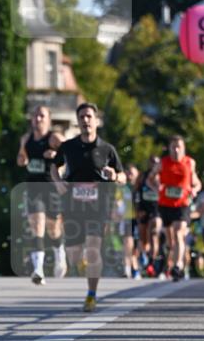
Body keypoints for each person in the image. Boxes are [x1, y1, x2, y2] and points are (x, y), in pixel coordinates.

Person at [51, 102, 125, 312]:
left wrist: (115, 175)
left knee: (93, 249)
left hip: (97, 207)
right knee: (75, 255)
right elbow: (54, 167)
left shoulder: (107, 149)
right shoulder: (68, 147)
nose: (85, 120)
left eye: (89, 116)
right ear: (78, 121)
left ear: (96, 121)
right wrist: (58, 182)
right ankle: (80, 263)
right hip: (73, 206)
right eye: (82, 117)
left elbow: (123, 176)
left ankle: (91, 295)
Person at [16, 104, 66, 284]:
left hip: (51, 188)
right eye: (35, 116)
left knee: (53, 229)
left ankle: (59, 251)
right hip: (32, 188)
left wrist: (55, 154)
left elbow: (69, 155)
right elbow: (21, 160)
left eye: (42, 116)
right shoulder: (26, 139)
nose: (38, 119)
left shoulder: (54, 138)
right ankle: (38, 270)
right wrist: (23, 159)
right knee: (37, 226)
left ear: (49, 120)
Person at [149, 135, 202, 282]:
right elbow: (150, 179)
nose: (177, 150)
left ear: (184, 148)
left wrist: (195, 190)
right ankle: (170, 262)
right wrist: (156, 188)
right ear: (170, 149)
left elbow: (197, 183)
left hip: (182, 204)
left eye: (179, 147)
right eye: (174, 147)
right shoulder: (162, 163)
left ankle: (178, 266)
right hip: (165, 205)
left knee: (179, 233)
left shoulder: (190, 163)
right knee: (170, 241)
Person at [133, 154, 162, 276]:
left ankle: (152, 261)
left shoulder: (162, 176)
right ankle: (144, 257)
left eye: (156, 162)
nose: (154, 164)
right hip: (144, 208)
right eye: (152, 162)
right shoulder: (143, 176)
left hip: (157, 209)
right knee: (143, 238)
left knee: (154, 233)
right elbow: (136, 191)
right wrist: (138, 208)